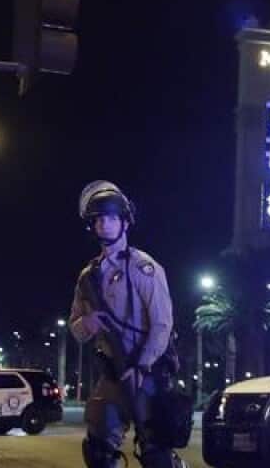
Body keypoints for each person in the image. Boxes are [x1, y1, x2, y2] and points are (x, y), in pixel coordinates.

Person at [69, 181, 183, 468]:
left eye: (111, 217)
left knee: (156, 449)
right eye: (98, 219)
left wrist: (142, 366)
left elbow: (162, 324)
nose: (104, 224)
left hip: (147, 372)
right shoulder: (88, 277)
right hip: (112, 375)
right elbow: (76, 328)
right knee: (98, 450)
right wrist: (87, 323)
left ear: (125, 222)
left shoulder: (144, 267)